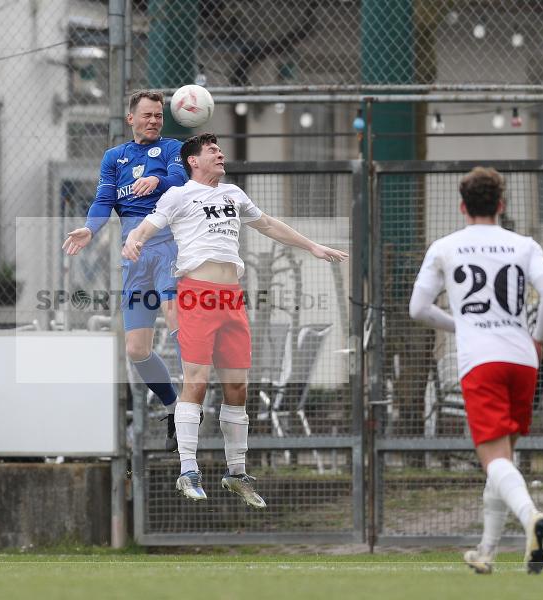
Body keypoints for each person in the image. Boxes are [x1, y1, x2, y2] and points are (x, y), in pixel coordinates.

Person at [122, 133, 348, 508]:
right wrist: (135, 240)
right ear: (193, 161)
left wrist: (312, 246)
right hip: (196, 294)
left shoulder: (233, 194)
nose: (220, 154)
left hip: (232, 299)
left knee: (238, 388)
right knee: (196, 381)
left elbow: (269, 224)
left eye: (220, 150)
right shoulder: (179, 195)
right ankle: (188, 470)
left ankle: (237, 473)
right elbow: (149, 224)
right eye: (212, 151)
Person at [408, 167, 543, 575]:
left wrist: (461, 322)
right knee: (503, 458)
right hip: (523, 359)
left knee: (493, 459)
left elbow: (418, 309)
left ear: (462, 206)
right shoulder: (524, 245)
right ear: (502, 205)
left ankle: (531, 516)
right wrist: (538, 337)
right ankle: (487, 552)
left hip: (482, 361)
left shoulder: (446, 247)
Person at [62, 91, 187, 451]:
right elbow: (104, 201)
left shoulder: (170, 149)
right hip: (134, 258)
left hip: (166, 248)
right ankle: (173, 405)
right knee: (136, 350)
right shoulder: (114, 158)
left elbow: (181, 182)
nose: (153, 121)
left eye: (158, 116)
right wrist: (90, 227)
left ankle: (194, 403)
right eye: (147, 115)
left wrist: (158, 182)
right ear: (130, 118)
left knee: (175, 314)